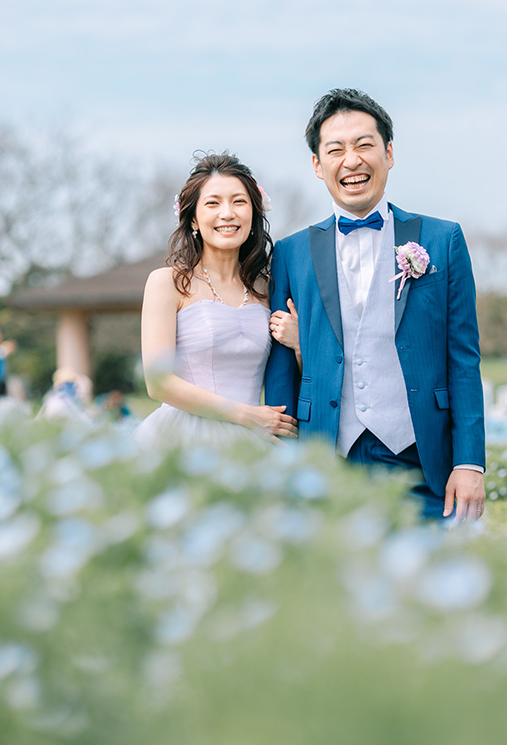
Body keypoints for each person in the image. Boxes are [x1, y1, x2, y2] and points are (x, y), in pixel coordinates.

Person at [265, 89, 485, 522]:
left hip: (421, 458)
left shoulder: (442, 240)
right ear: (317, 164)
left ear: (388, 152)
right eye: (336, 149)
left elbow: (463, 359)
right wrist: (282, 465)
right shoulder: (290, 253)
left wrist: (469, 462)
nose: (352, 160)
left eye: (365, 144)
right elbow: (280, 369)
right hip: (324, 458)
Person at [135, 152, 298, 450]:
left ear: (254, 213)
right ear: (194, 218)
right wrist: (246, 415)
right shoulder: (167, 283)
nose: (227, 213)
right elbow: (158, 383)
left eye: (239, 201)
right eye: (213, 203)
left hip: (253, 441)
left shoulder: (270, 287)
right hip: (181, 437)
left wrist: (299, 343)